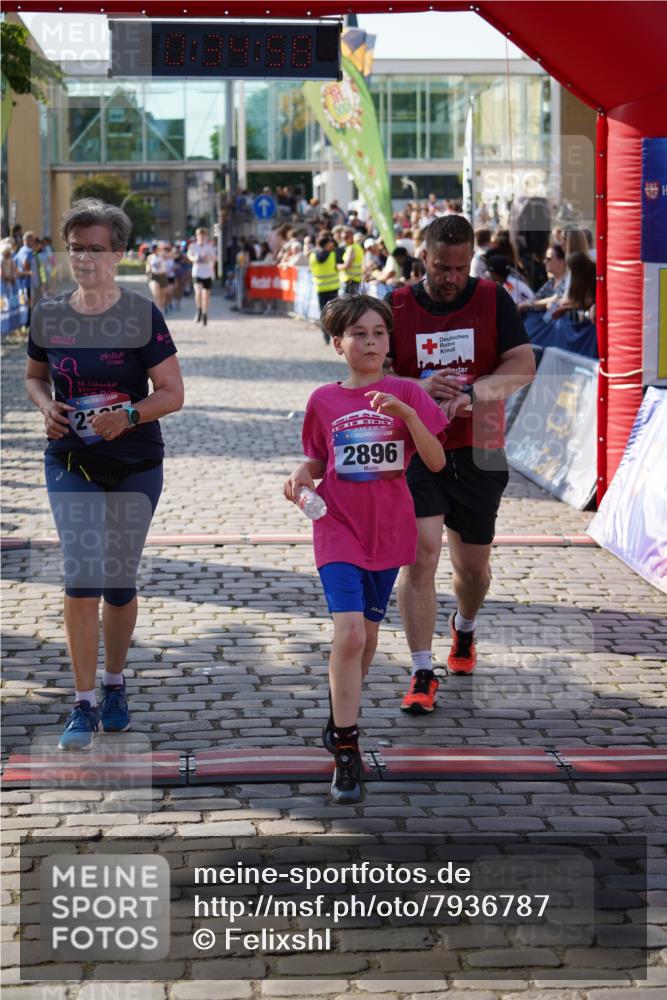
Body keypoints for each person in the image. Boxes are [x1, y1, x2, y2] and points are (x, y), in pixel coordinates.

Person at [24, 198, 184, 751]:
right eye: (76, 248)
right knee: (81, 575)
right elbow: (34, 377)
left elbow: (173, 394)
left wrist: (129, 414)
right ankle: (83, 702)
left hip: (136, 460)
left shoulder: (142, 315)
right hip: (70, 458)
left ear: (118, 254)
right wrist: (46, 407)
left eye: (96, 249)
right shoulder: (49, 314)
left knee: (118, 582)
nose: (85, 258)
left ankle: (115, 684)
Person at [284, 295, 447, 803]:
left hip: (389, 531)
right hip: (337, 528)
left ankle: (338, 716)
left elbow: (437, 461)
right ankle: (348, 753)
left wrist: (407, 411)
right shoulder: (322, 400)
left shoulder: (405, 392)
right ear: (338, 344)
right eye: (359, 334)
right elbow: (315, 460)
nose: (371, 342)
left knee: (367, 640)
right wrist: (299, 476)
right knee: (350, 633)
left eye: (379, 333)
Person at [386, 215, 535, 711]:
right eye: (442, 266)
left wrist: (473, 394)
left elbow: (522, 365)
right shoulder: (398, 304)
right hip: (418, 443)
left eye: (460, 266)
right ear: (423, 257)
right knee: (422, 552)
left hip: (483, 441)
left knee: (472, 568)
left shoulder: (494, 299)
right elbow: (376, 372)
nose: (452, 277)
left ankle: (464, 628)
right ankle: (422, 670)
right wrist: (417, 389)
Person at [518, 244, 568, 315]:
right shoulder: (551, 281)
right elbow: (536, 297)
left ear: (561, 261)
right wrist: (523, 304)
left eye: (548, 259)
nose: (544, 261)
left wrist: (530, 304)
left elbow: (556, 299)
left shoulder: (568, 280)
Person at [309, 235, 339, 343]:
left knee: (323, 312)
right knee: (334, 312)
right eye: (330, 243)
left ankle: (325, 334)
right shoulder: (332, 255)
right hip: (333, 288)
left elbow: (311, 269)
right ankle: (335, 334)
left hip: (320, 288)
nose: (331, 245)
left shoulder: (312, 256)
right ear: (326, 244)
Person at [187, 226, 217, 325]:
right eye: (200, 236)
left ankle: (205, 313)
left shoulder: (209, 246)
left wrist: (209, 257)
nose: (201, 238)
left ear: (206, 237)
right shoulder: (193, 246)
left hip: (207, 273)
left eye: (203, 236)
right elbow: (189, 255)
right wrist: (194, 258)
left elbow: (215, 258)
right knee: (198, 292)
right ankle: (199, 309)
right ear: (197, 236)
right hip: (197, 272)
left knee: (206, 296)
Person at [337, 227, 364, 294]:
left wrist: (336, 266)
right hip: (355, 280)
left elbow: (347, 265)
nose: (344, 239)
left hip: (349, 281)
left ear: (351, 236)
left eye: (345, 237)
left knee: (344, 303)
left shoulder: (351, 248)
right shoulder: (357, 246)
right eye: (342, 238)